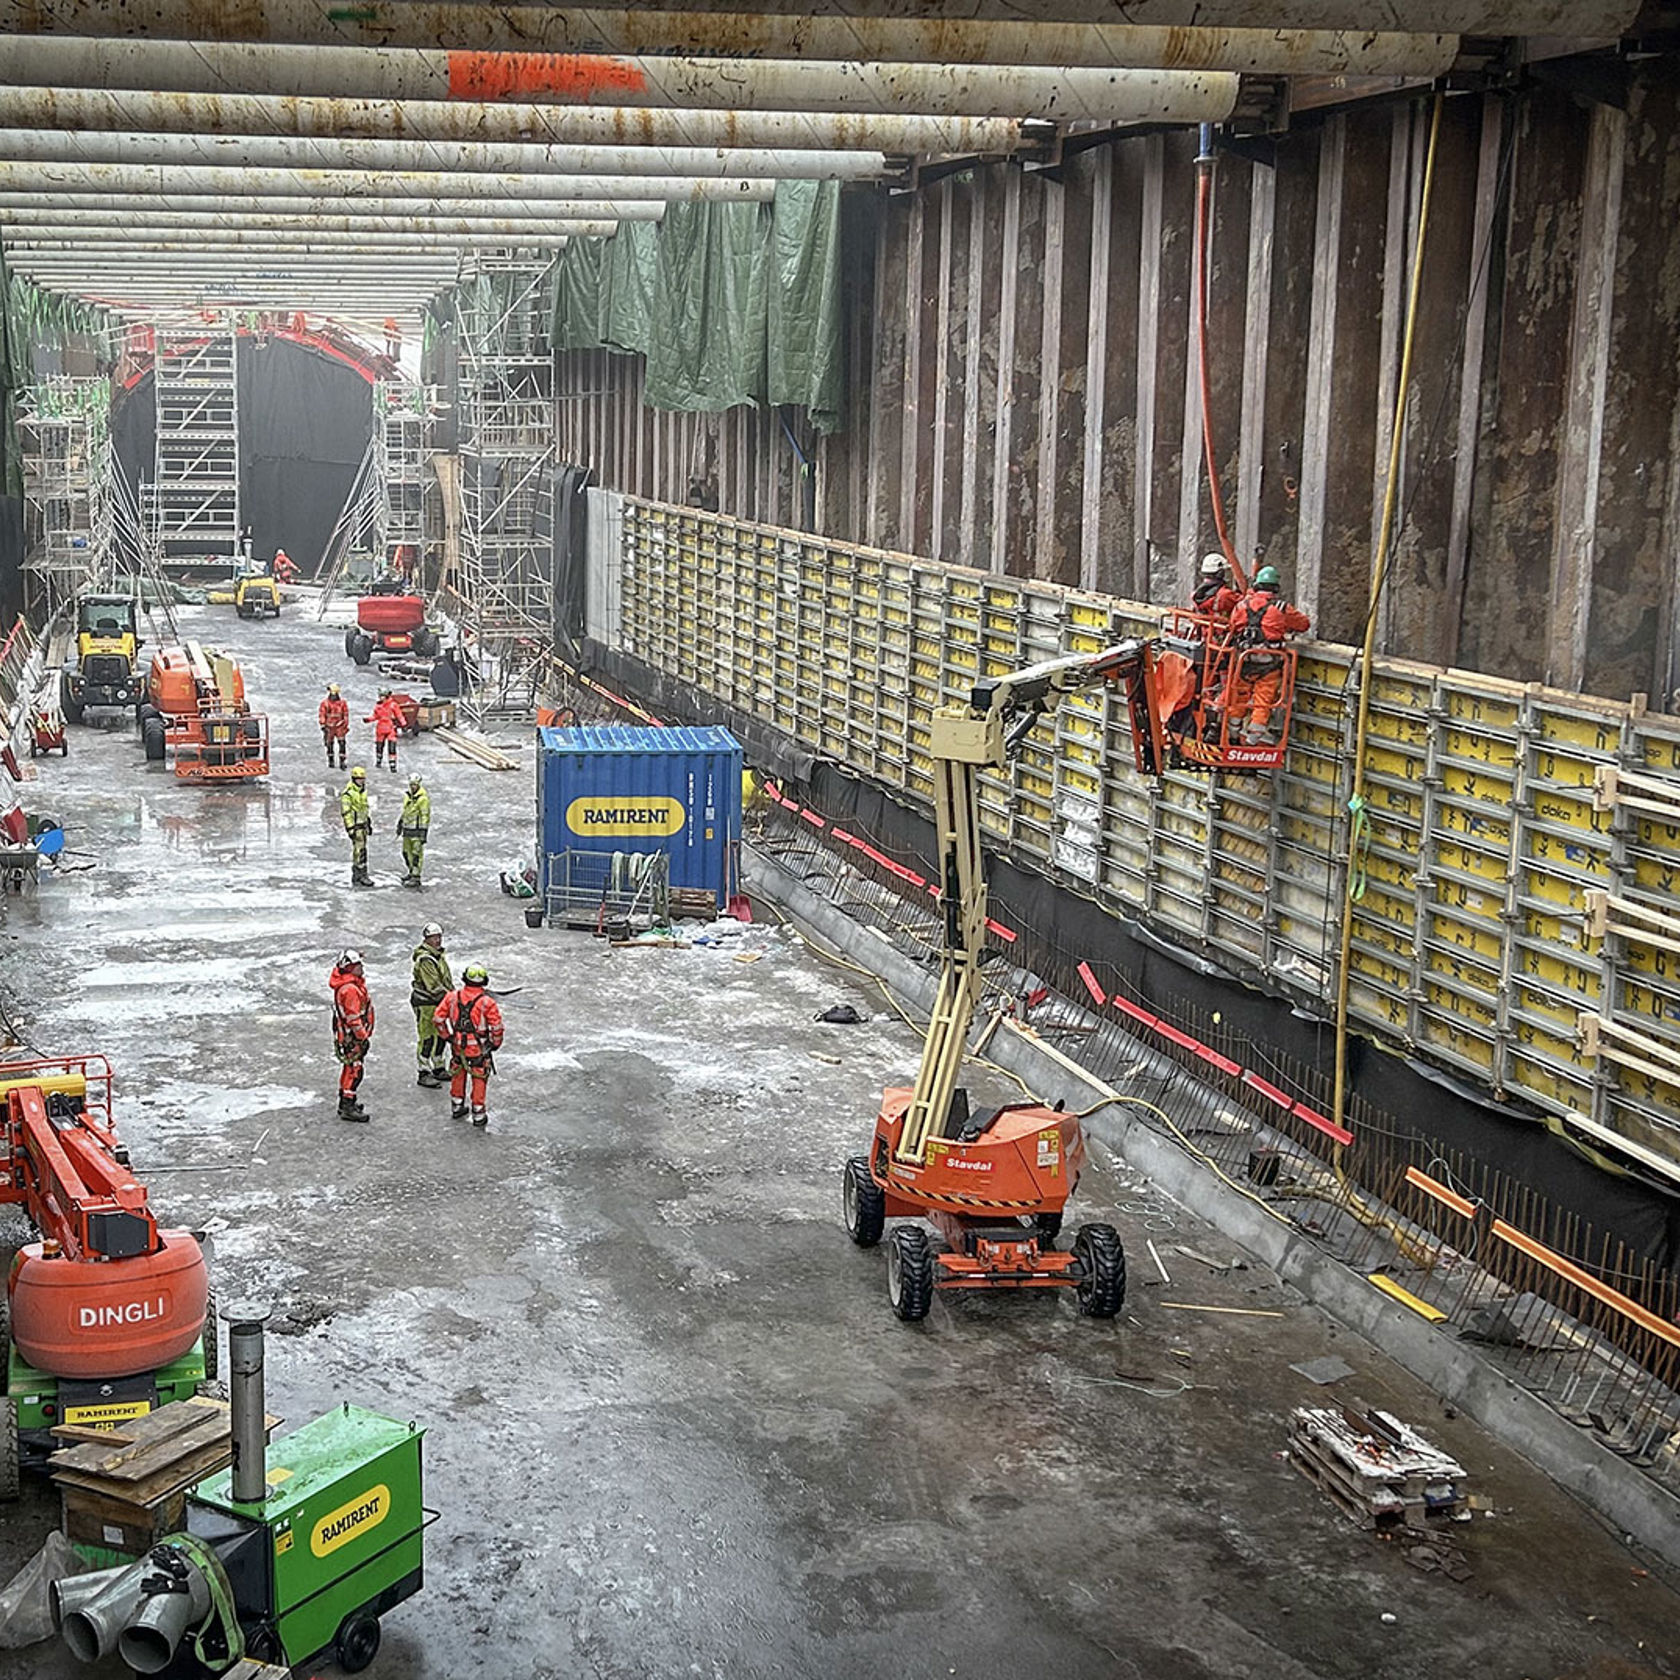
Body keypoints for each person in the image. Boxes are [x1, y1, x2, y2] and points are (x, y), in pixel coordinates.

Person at [1222, 565, 1311, 744]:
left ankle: (1232, 737)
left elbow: (1232, 626)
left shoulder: (1241, 605)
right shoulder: (1281, 608)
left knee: (1238, 697)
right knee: (1264, 700)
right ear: (1276, 588)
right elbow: (1304, 624)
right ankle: (1252, 742)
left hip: (1244, 661)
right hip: (1269, 663)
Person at [434, 963, 504, 1128]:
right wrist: (494, 1043)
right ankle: (478, 1114)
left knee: (458, 1074)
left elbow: (437, 1019)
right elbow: (497, 1027)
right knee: (479, 1077)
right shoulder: (487, 1002)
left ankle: (457, 1106)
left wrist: (447, 1036)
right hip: (478, 1049)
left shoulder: (452, 997)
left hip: (458, 1046)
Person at [329, 948, 374, 1122]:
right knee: (355, 1071)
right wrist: (363, 1037)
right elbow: (354, 1019)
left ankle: (346, 1102)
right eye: (357, 965)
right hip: (352, 1038)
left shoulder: (348, 985)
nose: (361, 967)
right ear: (349, 968)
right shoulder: (350, 990)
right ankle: (348, 1105)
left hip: (348, 1036)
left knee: (349, 1069)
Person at [410, 921, 453, 1088]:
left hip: (439, 1003)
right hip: (426, 1002)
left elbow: (445, 980)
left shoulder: (438, 955)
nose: (437, 940)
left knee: (441, 1036)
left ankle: (438, 1067)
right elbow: (434, 987)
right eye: (434, 937)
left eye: (439, 937)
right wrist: (455, 997)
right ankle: (424, 1071)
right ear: (426, 939)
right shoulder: (426, 959)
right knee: (427, 1037)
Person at [397, 774, 431, 888]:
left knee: (416, 854)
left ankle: (416, 876)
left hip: (416, 831)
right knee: (406, 853)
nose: (413, 787)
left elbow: (425, 816)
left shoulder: (423, 799)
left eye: (415, 785)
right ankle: (411, 872)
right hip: (407, 830)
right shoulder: (408, 796)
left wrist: (423, 832)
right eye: (411, 785)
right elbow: (406, 810)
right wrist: (400, 822)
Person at [340, 766, 372, 886]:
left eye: (362, 779)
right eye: (359, 779)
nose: (362, 781)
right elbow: (346, 812)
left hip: (362, 825)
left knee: (362, 850)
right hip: (356, 827)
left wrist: (368, 821)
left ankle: (361, 874)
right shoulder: (348, 794)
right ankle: (360, 875)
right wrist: (350, 828)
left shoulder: (362, 791)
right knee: (359, 851)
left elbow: (364, 808)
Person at [1191, 553, 1241, 623]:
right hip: (1222, 631)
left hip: (1204, 630)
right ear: (1220, 573)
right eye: (1226, 571)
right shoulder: (1224, 595)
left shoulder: (1195, 594)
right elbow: (1245, 603)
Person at [366, 690, 402, 773]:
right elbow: (375, 716)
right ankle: (379, 760)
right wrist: (368, 719)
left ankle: (392, 764)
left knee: (392, 747)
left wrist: (403, 722)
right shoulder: (378, 706)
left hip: (390, 728)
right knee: (379, 746)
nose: (380, 697)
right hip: (381, 728)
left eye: (381, 696)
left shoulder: (393, 705)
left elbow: (399, 714)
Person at [319, 683, 349, 770]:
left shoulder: (342, 703)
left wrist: (345, 725)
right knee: (329, 744)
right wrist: (323, 724)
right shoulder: (325, 703)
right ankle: (331, 760)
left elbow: (345, 715)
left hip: (340, 726)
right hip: (329, 726)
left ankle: (342, 761)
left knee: (342, 743)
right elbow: (322, 714)